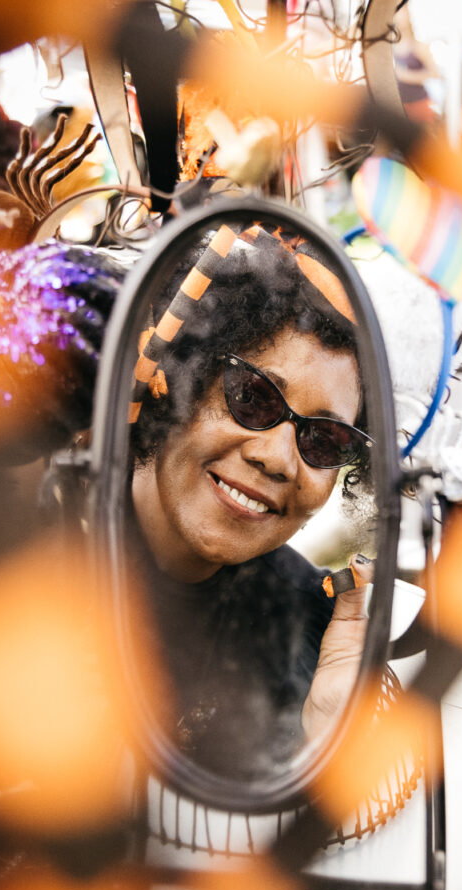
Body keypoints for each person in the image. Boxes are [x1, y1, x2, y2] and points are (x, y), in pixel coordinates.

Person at [127, 223, 374, 778]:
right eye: (254, 398)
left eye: (325, 439)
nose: (280, 458)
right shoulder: (18, 544)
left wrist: (326, 735)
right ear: (176, 377)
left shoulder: (312, 630)